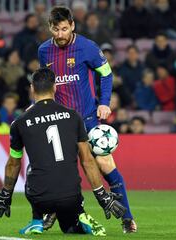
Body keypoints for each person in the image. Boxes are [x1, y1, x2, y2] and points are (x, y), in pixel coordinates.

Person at [0, 68, 126, 236]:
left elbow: (13, 163)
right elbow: (87, 161)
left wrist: (5, 194)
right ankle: (79, 214)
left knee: (31, 167)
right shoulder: (73, 116)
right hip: (72, 196)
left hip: (40, 197)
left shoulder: (20, 122)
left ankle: (37, 220)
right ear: (55, 88)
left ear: (32, 88)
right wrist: (102, 195)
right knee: (68, 227)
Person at [37, 6, 136, 233]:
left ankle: (127, 219)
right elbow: (47, 84)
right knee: (57, 170)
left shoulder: (88, 47)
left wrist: (104, 102)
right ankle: (52, 211)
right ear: (50, 28)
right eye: (56, 29)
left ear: (72, 25)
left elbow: (107, 73)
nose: (60, 34)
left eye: (64, 28)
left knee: (104, 164)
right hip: (61, 121)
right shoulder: (43, 51)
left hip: (88, 117)